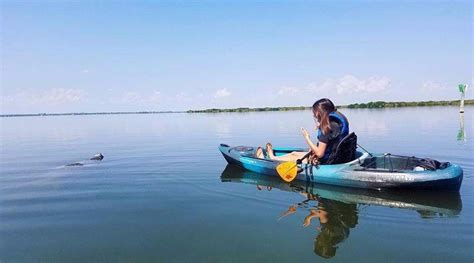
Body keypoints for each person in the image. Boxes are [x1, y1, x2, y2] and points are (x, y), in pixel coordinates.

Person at [255, 98, 349, 164]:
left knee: (293, 155)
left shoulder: (326, 127)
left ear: (319, 112)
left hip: (327, 161)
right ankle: (273, 157)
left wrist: (307, 137)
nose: (314, 115)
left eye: (314, 112)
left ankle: (272, 158)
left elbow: (320, 154)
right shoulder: (338, 121)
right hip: (338, 157)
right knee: (294, 153)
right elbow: (331, 142)